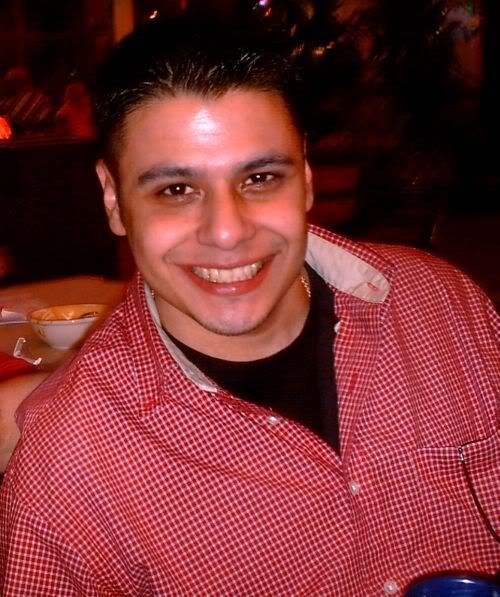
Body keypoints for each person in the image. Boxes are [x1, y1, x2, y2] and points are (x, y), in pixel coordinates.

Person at [0, 16, 498, 595]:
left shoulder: (442, 303)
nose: (228, 232)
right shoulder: (71, 459)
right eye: (176, 190)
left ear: (304, 175)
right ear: (113, 198)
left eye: (259, 177)